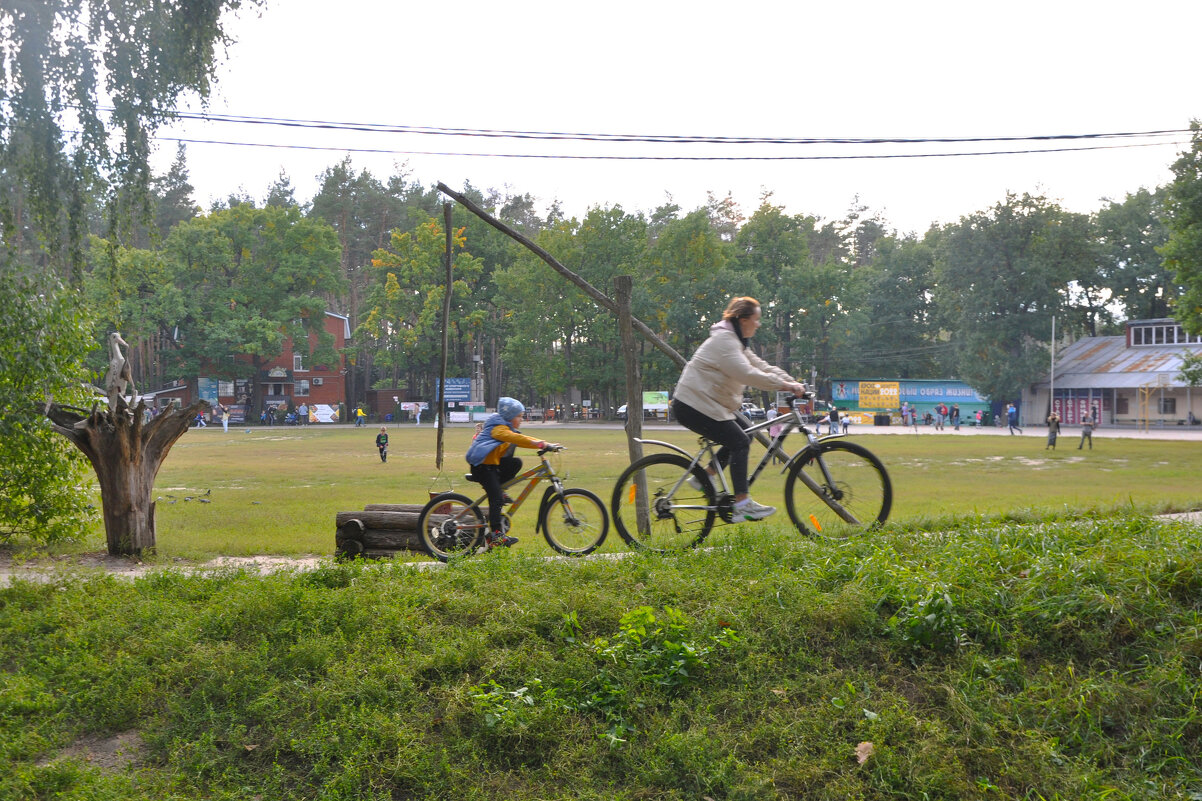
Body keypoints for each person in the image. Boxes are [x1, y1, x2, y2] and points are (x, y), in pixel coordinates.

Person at [670, 296, 807, 522]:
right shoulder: (726, 342)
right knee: (739, 441)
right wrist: (785, 386)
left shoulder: (736, 341)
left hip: (707, 403)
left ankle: (705, 476)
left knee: (747, 430)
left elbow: (762, 366)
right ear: (742, 319)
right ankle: (742, 504)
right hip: (692, 405)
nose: (758, 324)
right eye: (756, 319)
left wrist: (793, 383)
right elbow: (749, 375)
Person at [466, 397, 559, 549]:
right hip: (481, 467)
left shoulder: (506, 427)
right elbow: (516, 438)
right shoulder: (498, 429)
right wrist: (541, 443)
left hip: (492, 465)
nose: (521, 420)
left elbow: (521, 440)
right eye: (519, 416)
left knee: (516, 463)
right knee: (495, 499)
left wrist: (544, 444)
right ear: (509, 417)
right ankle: (496, 535)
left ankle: (499, 490)